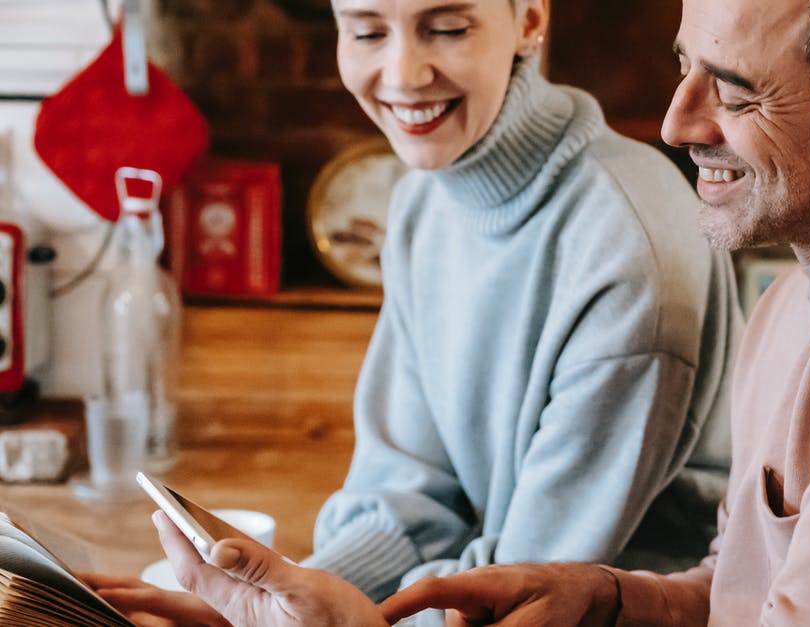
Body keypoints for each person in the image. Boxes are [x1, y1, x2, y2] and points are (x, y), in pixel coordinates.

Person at [95, 0, 810, 624]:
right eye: (682, 70)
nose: (674, 121)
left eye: (735, 91)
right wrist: (608, 600)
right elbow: (760, 596)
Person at [83, 0, 740, 624]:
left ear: (530, 19)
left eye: (447, 28)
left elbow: (537, 585)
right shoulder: (423, 201)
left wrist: (338, 613)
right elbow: (411, 490)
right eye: (367, 32)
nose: (403, 75)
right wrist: (274, 594)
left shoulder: (628, 244)